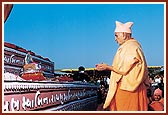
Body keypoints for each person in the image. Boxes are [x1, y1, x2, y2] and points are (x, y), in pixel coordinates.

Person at [96, 21, 150, 111]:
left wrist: (107, 67)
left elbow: (123, 69)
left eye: (116, 35)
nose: (115, 39)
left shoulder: (130, 47)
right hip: (130, 88)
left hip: (128, 90)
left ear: (124, 35)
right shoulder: (131, 46)